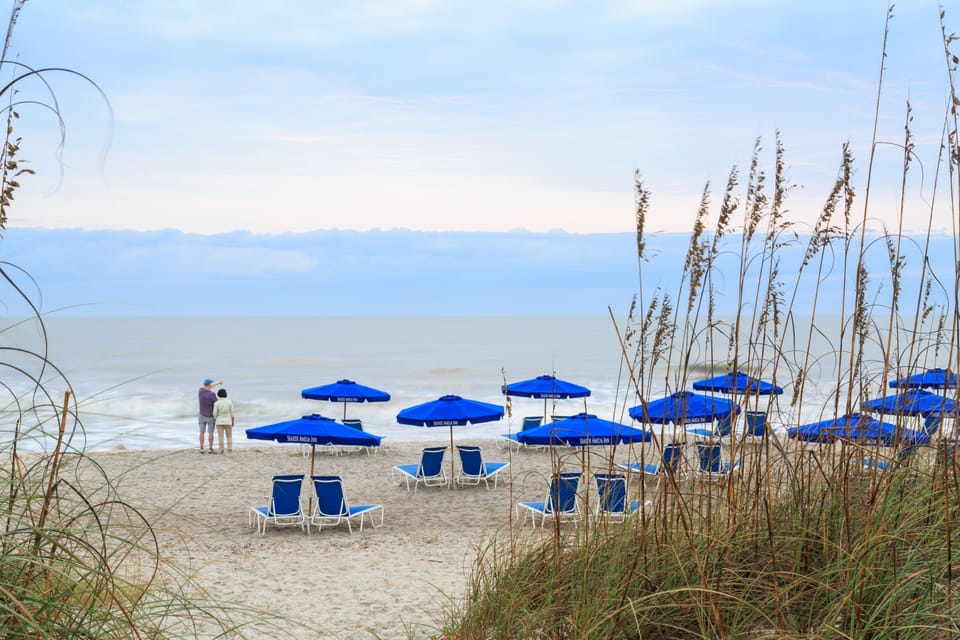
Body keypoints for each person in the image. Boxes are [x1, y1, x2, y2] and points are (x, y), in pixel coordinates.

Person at [198, 378, 222, 453]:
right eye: (211, 383)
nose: (212, 384)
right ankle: (210, 448)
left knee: (202, 432)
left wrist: (218, 383)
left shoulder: (200, 391)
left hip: (201, 415)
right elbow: (217, 403)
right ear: (209, 385)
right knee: (210, 433)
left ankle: (201, 448)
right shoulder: (212, 394)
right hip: (210, 416)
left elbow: (209, 387)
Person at [213, 387, 236, 454]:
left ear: (218, 395)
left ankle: (221, 450)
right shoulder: (229, 402)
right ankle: (230, 449)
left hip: (219, 421)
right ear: (226, 394)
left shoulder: (216, 403)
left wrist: (216, 418)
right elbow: (232, 413)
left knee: (220, 436)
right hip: (228, 421)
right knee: (229, 436)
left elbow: (214, 414)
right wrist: (233, 421)